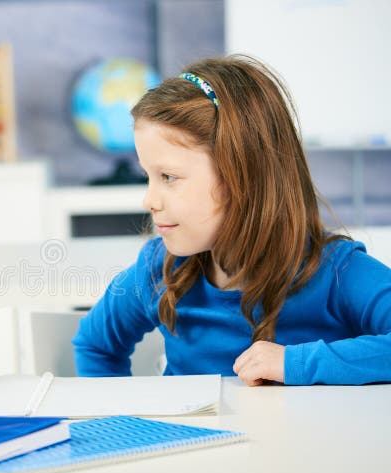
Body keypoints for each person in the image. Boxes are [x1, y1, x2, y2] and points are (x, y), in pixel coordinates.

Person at [73, 55, 391, 386]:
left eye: (168, 176)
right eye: (148, 177)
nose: (149, 201)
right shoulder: (156, 269)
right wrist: (125, 426)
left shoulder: (336, 272)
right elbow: (95, 347)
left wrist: (296, 363)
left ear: (242, 175)